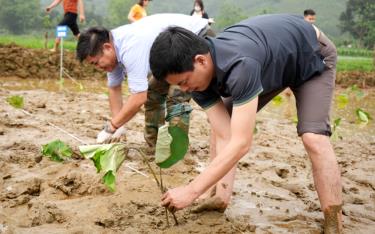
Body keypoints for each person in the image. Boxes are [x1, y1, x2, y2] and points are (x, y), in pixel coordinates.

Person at [149, 14, 342, 233]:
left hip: (311, 56)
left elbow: (241, 143)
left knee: (313, 137)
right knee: (223, 125)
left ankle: (334, 222)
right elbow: (225, 134)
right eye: (177, 85)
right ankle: (220, 198)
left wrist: (192, 190)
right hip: (272, 63)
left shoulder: (239, 65)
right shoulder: (196, 83)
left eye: (183, 82)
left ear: (201, 60)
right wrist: (203, 189)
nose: (184, 90)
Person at [76, 14, 211, 151]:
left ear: (107, 48)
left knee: (177, 97)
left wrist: (111, 127)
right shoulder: (113, 50)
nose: (98, 68)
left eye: (96, 63)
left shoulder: (130, 48)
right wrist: (119, 126)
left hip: (194, 37)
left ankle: (176, 150)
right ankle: (155, 147)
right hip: (168, 54)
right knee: (153, 93)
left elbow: (138, 97)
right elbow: (114, 88)